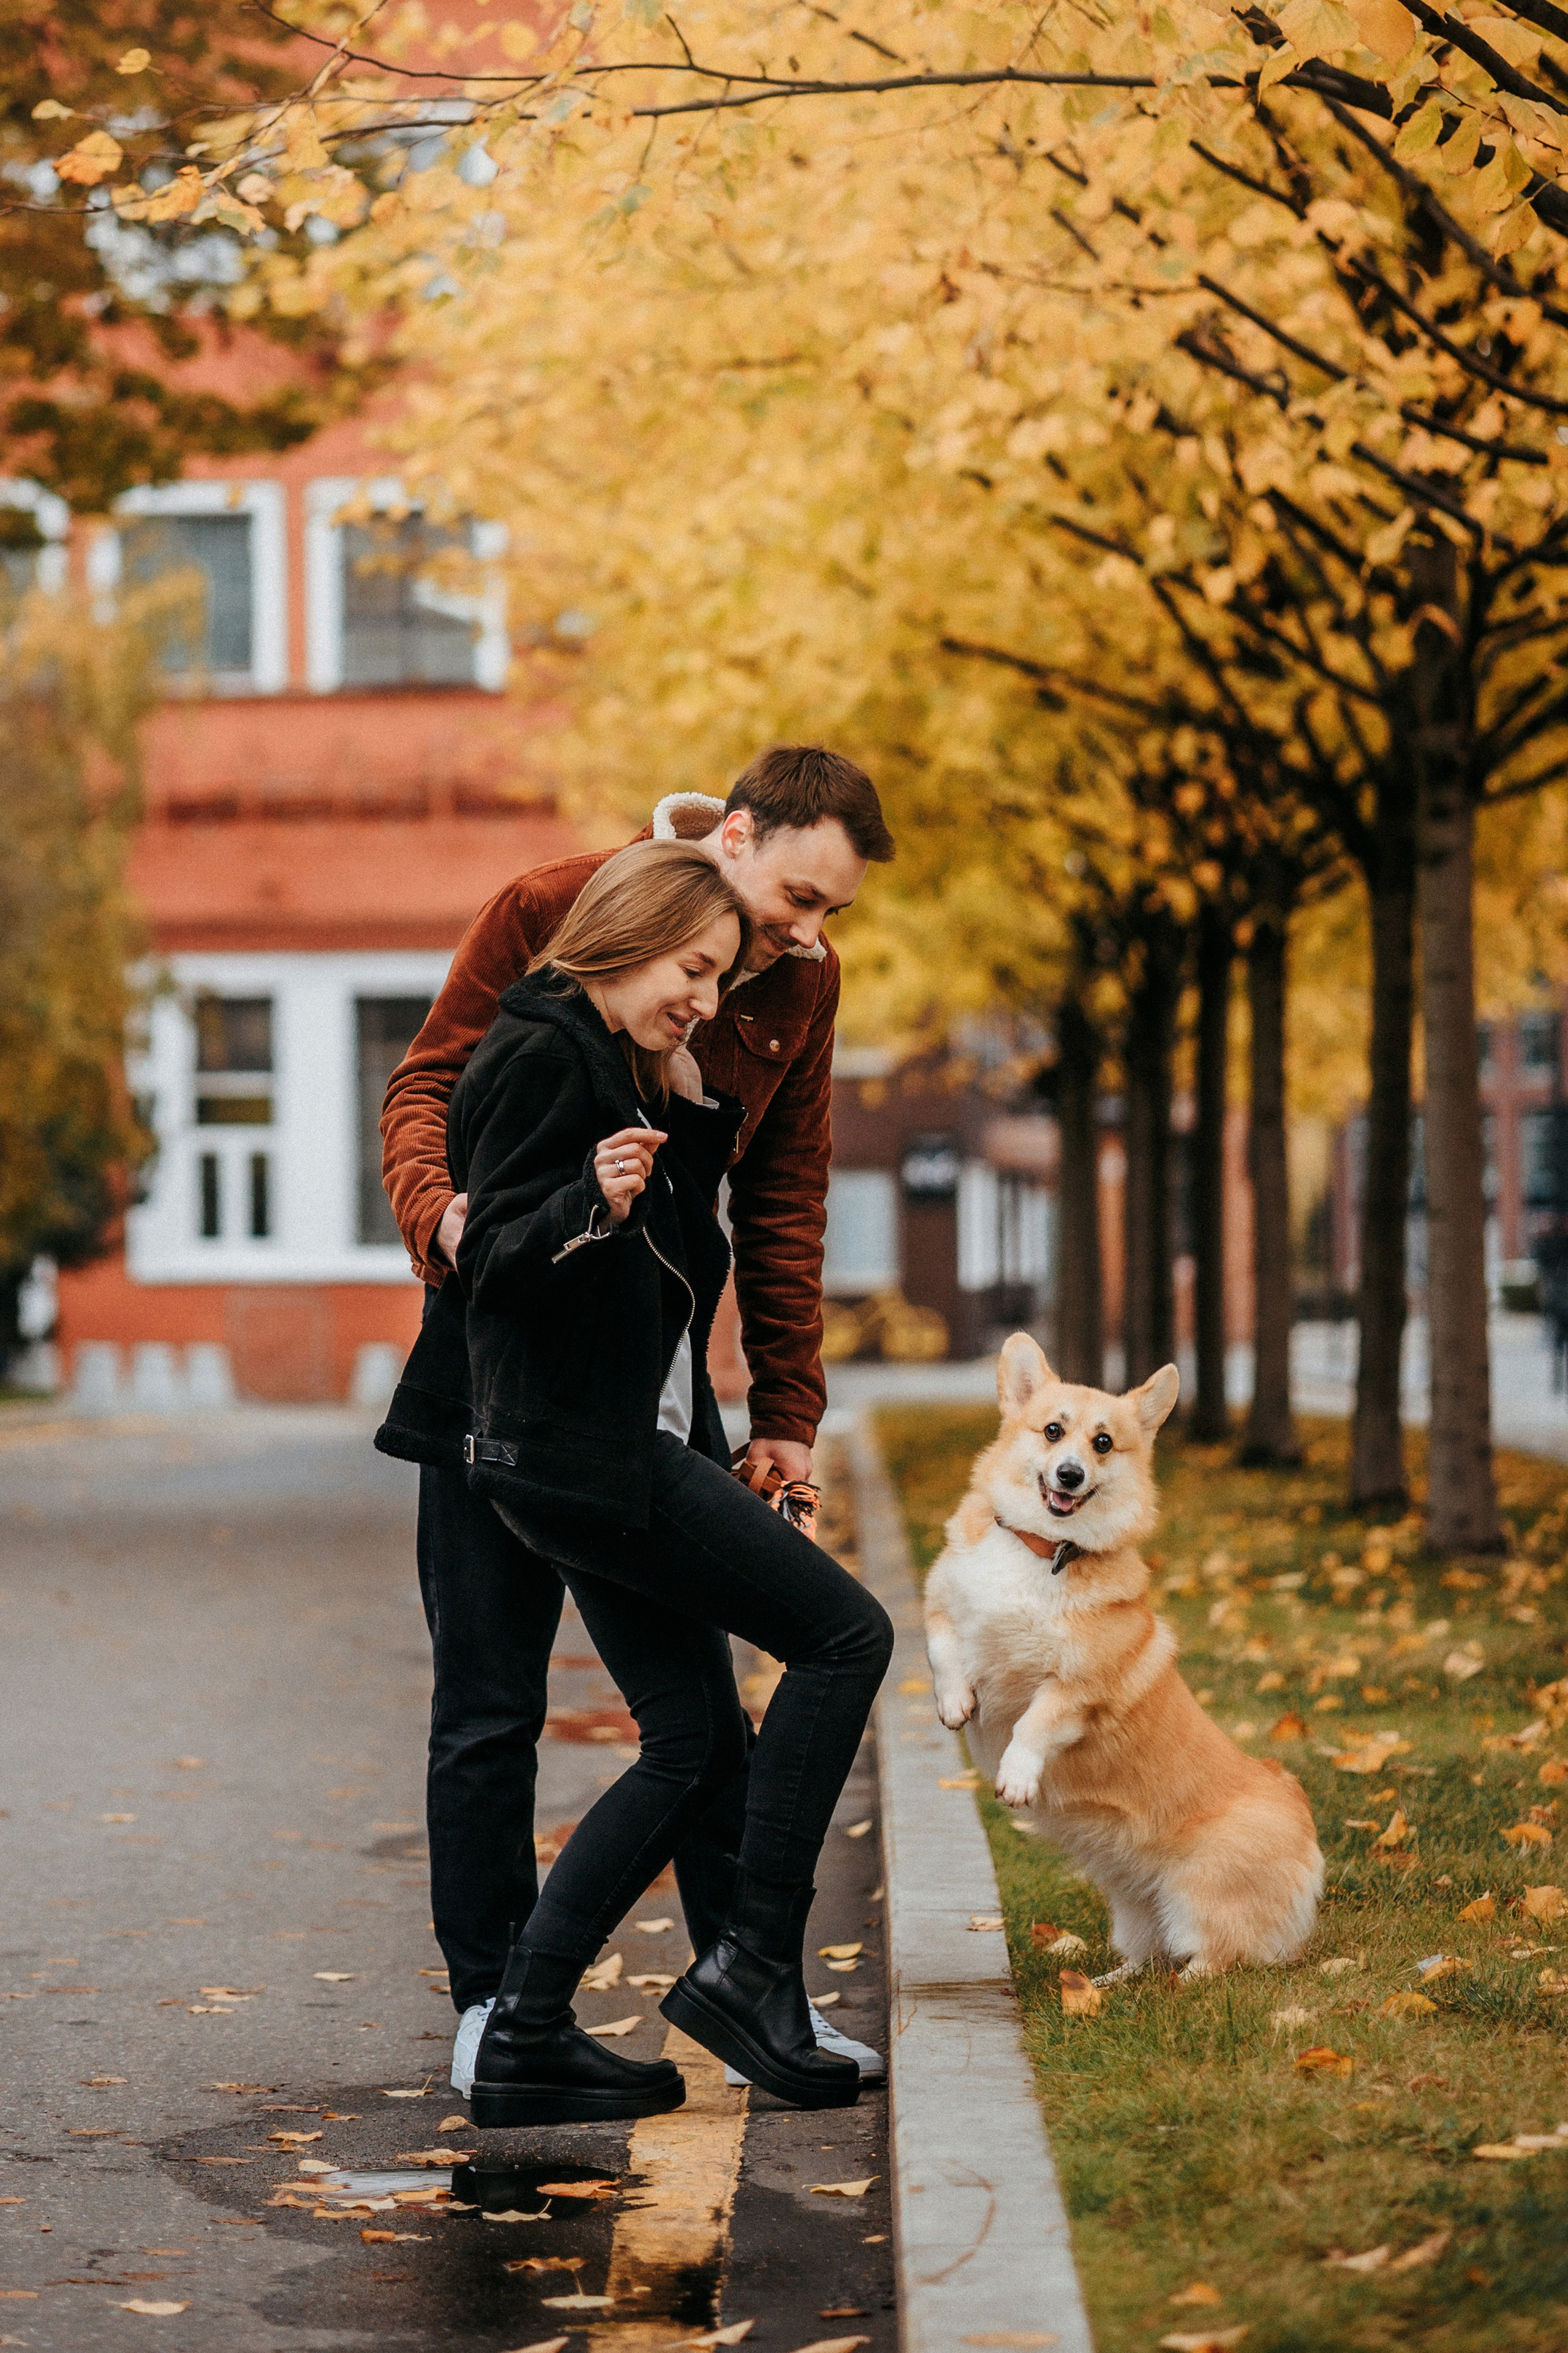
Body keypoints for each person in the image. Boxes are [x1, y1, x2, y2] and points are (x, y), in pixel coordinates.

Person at [379, 746, 896, 2097]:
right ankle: (500, 2008)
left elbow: (780, 1191)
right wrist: (455, 1225)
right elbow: (429, 1089)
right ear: (731, 837)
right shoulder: (554, 908)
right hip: (501, 1383)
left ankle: (746, 1983)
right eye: (796, 895)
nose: (805, 934)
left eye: (829, 912)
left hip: (643, 1393)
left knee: (697, 1714)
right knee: (490, 1706)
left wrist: (783, 1407)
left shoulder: (798, 983)